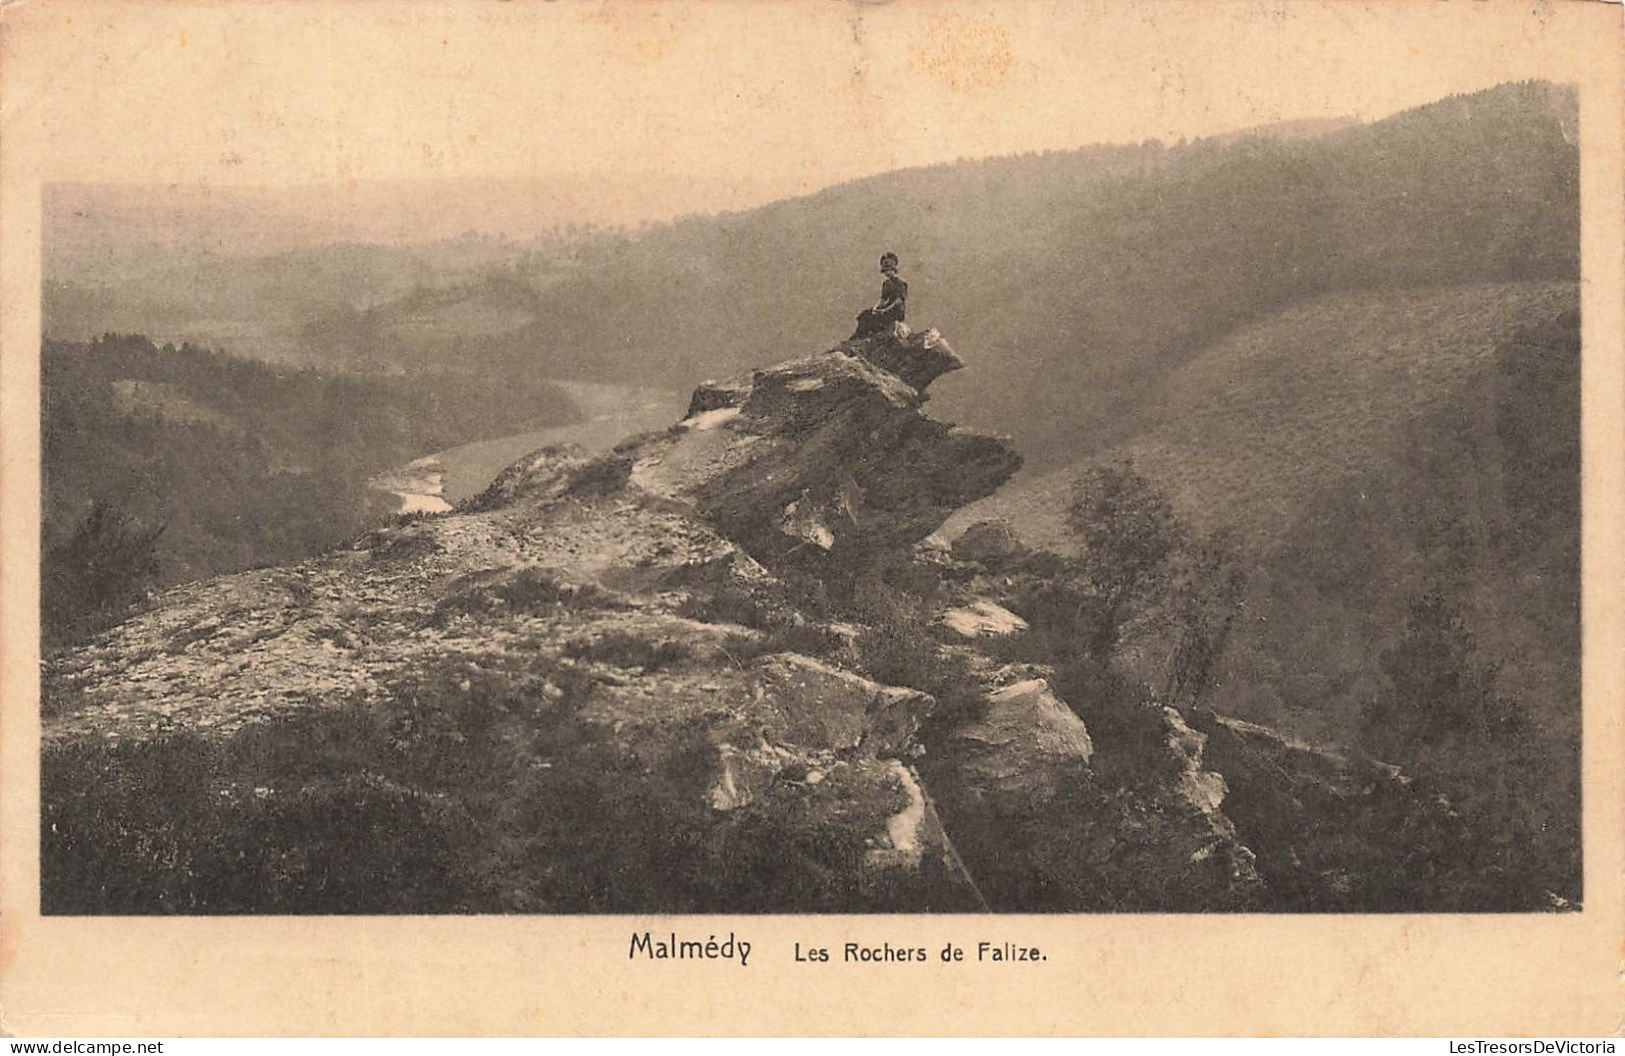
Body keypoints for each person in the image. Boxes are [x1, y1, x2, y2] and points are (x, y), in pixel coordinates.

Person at [851, 252, 908, 339]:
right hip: (887, 308)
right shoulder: (886, 283)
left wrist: (885, 309)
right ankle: (859, 336)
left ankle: (865, 336)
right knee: (866, 314)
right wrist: (875, 308)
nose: (887, 273)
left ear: (894, 270)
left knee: (876, 319)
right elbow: (883, 298)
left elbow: (899, 301)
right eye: (885, 271)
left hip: (896, 311)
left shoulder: (901, 283)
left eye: (889, 270)